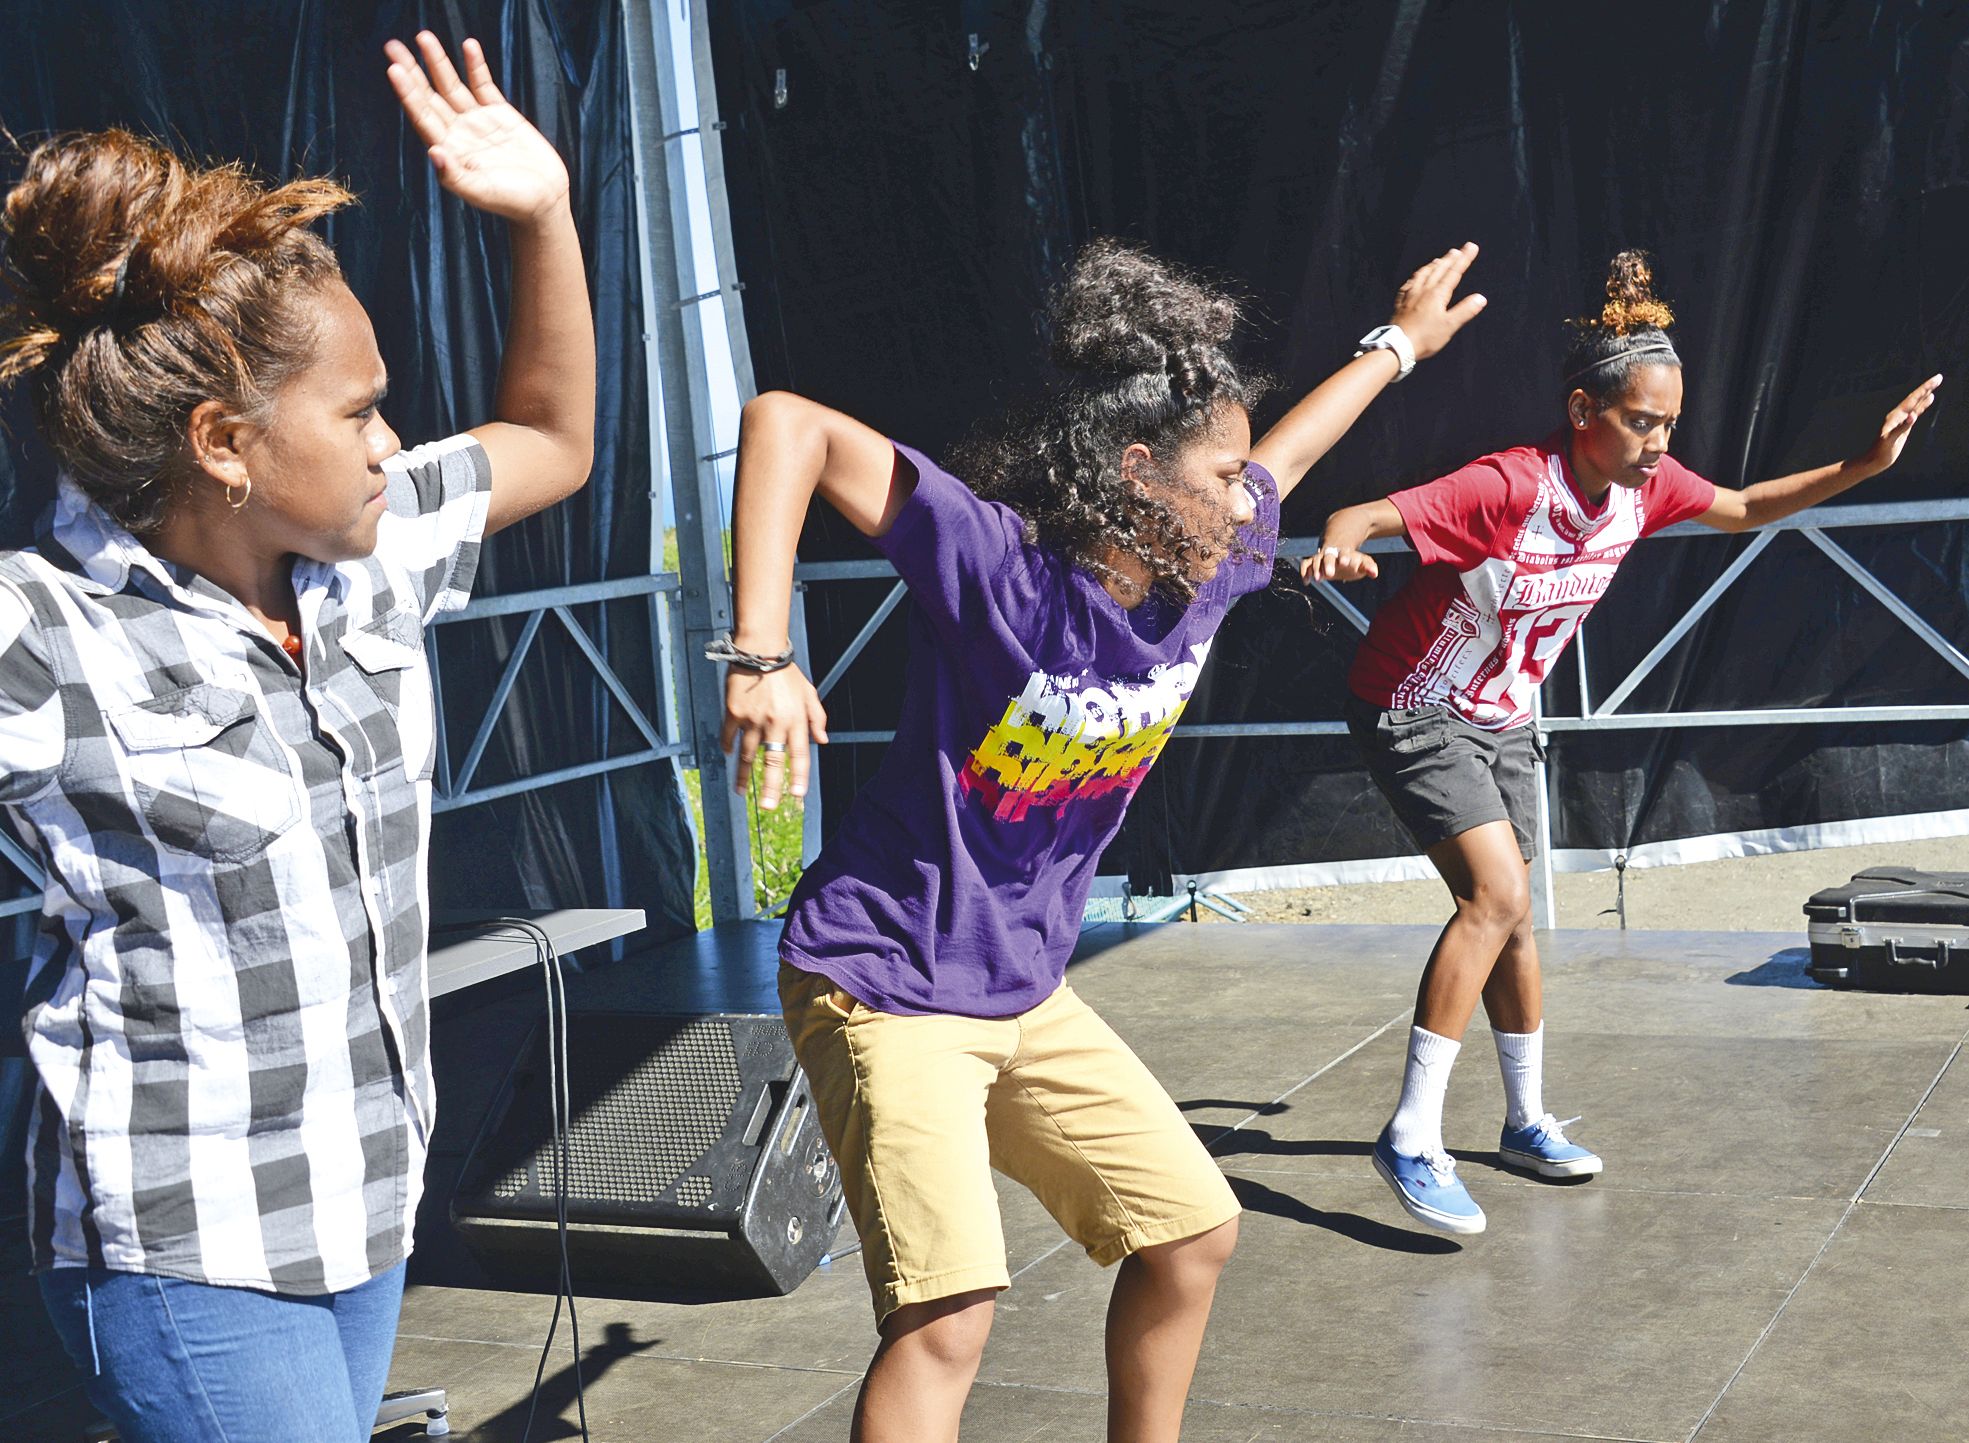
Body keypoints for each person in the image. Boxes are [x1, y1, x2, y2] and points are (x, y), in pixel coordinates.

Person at [717, 239, 1485, 1442]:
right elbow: (786, 425)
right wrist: (761, 655)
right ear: (1138, 475)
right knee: (950, 1312)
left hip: (1021, 994)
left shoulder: (1215, 562)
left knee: (1189, 1234)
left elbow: (1287, 451)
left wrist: (1397, 346)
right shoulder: (1000, 568)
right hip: (885, 982)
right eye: (1221, 475)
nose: (1250, 502)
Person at [0, 32, 594, 1442]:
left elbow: (552, 439)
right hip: (182, 1238)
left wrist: (548, 218)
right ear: (223, 441)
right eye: (361, 408)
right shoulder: (43, 632)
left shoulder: (364, 560)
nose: (394, 440)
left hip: (364, 1197)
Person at [1308, 250, 1941, 1236]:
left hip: (1502, 717)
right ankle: (1410, 1136)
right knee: (1495, 895)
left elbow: (1739, 509)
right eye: (1639, 421)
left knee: (1515, 925)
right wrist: (1343, 542)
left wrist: (1864, 464)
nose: (1656, 443)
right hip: (1412, 701)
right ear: (1580, 412)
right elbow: (1366, 512)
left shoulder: (1648, 490)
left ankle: (1522, 1123)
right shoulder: (1505, 487)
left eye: (1668, 426)